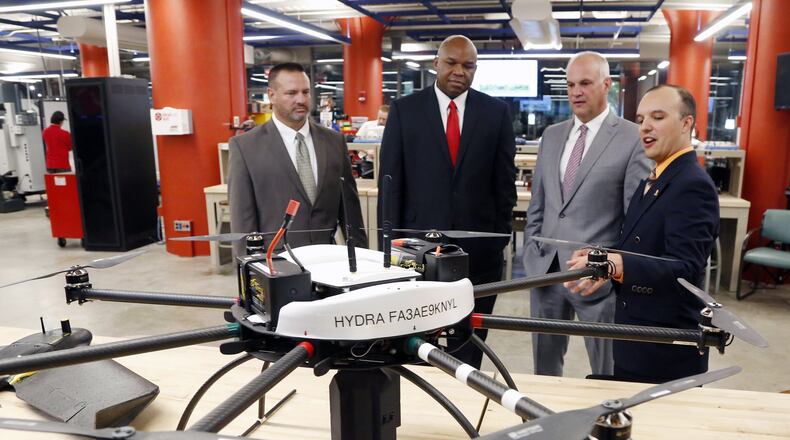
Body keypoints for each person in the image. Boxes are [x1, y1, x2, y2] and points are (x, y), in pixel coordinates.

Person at [565, 84, 719, 383]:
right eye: (640, 119)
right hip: (636, 337)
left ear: (686, 123)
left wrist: (617, 264)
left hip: (665, 347)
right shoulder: (656, 177)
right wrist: (604, 258)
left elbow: (686, 268)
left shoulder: (692, 184)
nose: (645, 126)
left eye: (658, 117)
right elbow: (643, 246)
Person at [378, 35, 516, 368]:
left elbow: (504, 185)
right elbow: (390, 184)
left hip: (479, 253)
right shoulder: (405, 110)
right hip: (417, 250)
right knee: (417, 338)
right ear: (436, 64)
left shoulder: (496, 113)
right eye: (452, 63)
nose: (459, 71)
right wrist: (389, 244)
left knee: (470, 337)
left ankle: (466, 385)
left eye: (468, 65)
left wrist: (498, 239)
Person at [523, 51, 650, 377]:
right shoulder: (552, 136)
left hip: (596, 278)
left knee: (608, 371)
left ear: (607, 85)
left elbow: (635, 218)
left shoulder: (631, 138)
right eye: (570, 85)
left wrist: (611, 266)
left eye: (585, 83)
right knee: (544, 369)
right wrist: (532, 254)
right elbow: (538, 203)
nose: (576, 92)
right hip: (547, 271)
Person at [228, 62, 367, 254]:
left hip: (328, 257)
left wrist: (361, 256)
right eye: (291, 93)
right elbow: (242, 219)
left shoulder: (334, 142)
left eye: (306, 92)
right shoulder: (245, 147)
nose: (301, 99)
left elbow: (350, 210)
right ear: (272, 95)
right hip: (276, 261)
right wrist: (249, 267)